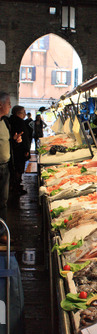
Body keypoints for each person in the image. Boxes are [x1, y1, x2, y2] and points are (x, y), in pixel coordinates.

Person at [0, 92, 22, 243]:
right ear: (0, 105)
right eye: (8, 103)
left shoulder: (5, 122)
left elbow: (5, 142)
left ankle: (2, 233)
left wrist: (14, 140)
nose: (9, 106)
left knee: (3, 201)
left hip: (4, 167)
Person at [9, 105, 31, 195]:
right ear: (18, 113)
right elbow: (24, 137)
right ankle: (16, 188)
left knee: (16, 169)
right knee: (19, 169)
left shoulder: (9, 120)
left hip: (13, 150)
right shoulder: (20, 122)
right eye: (23, 112)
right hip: (20, 150)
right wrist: (26, 149)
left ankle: (16, 186)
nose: (25, 114)